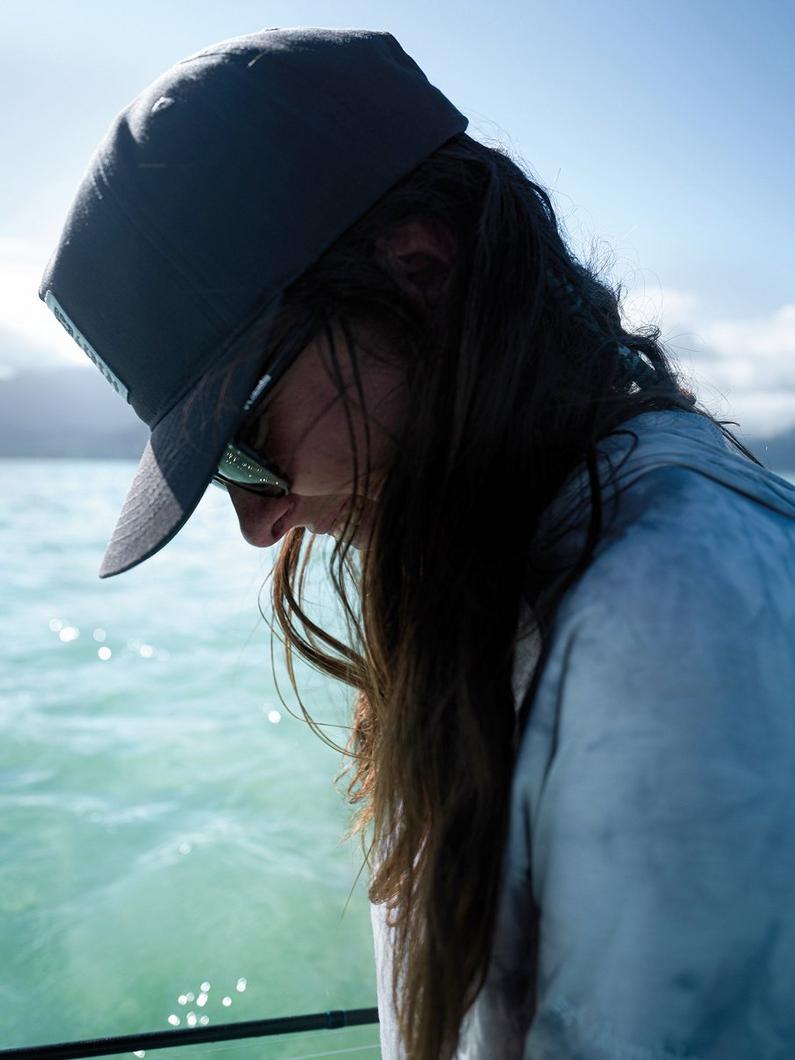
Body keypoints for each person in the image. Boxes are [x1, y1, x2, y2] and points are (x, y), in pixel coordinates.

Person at [38, 27, 795, 1060]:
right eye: (218, 474)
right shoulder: (511, 574)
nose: (261, 522)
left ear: (420, 265)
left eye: (245, 440)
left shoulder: (673, 623)